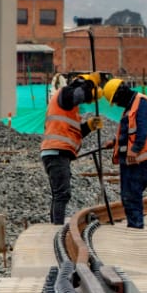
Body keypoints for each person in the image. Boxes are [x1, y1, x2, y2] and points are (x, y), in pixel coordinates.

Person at [40, 73, 102, 224]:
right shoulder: (66, 94)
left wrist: (88, 126)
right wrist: (90, 82)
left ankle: (56, 225)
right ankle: (57, 228)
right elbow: (79, 94)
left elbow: (72, 133)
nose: (86, 100)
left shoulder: (69, 106)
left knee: (59, 194)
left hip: (56, 152)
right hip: (56, 152)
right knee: (62, 194)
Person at [103, 78, 147, 229]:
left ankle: (136, 226)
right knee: (127, 195)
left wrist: (135, 149)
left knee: (133, 193)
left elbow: (143, 129)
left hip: (138, 159)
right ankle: (133, 224)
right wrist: (114, 141)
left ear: (121, 93)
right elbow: (129, 130)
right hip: (128, 160)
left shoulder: (141, 102)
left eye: (115, 100)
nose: (116, 104)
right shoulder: (131, 106)